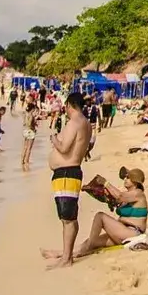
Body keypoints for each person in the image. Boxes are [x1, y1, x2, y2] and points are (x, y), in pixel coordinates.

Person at [47, 167, 148, 262]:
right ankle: (60, 253)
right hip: (123, 231)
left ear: (135, 181)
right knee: (92, 241)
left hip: (133, 233)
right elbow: (115, 198)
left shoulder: (138, 193)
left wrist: (105, 183)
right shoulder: (129, 195)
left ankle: (84, 249)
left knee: (100, 216)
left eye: (128, 177)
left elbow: (119, 196)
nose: (125, 179)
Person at [42, 93, 92, 269]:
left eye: (66, 106)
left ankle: (66, 259)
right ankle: (66, 254)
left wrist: (54, 139)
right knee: (70, 217)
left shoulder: (74, 123)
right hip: (72, 171)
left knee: (67, 219)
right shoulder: (86, 123)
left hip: (66, 173)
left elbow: (64, 148)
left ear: (70, 104)